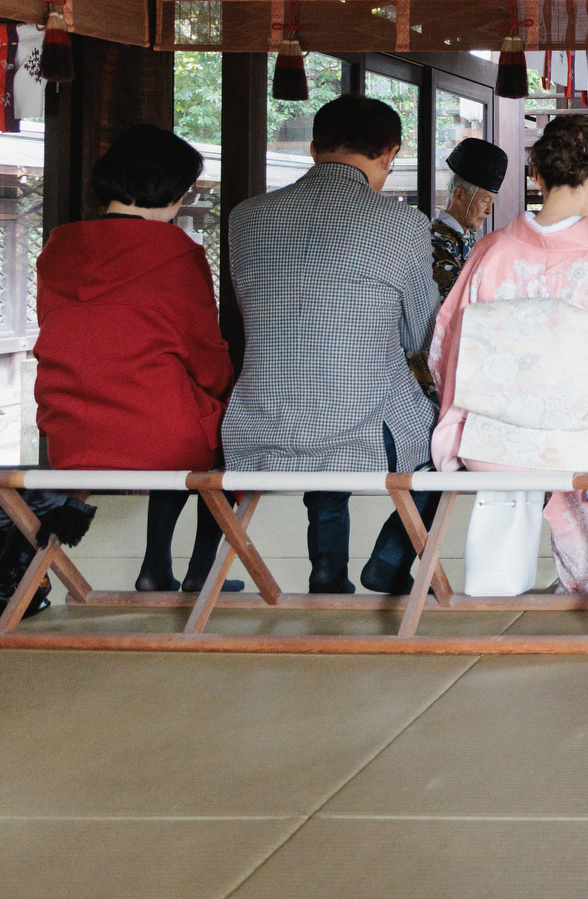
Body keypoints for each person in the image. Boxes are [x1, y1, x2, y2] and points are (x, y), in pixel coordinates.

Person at [221, 95, 441, 596]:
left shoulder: (246, 217)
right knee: (447, 443)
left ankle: (327, 568)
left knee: (327, 400)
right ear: (389, 154)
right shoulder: (403, 223)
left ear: (314, 148)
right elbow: (422, 335)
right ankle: (390, 558)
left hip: (261, 418)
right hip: (361, 424)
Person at [429, 115, 588, 593]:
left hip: (490, 445)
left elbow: (446, 349)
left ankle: (496, 580)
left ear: (536, 177)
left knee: (513, 469)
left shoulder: (489, 253)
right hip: (579, 446)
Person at [33, 124, 235, 593]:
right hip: (156, 436)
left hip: (70, 430)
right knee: (224, 431)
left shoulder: (58, 251)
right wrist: (226, 393)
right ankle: (197, 572)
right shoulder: (176, 254)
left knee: (190, 419)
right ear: (171, 190)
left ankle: (157, 567)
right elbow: (205, 354)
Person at [431, 138, 507, 300]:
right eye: (485, 200)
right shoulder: (433, 242)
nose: (489, 210)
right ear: (459, 195)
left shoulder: (470, 238)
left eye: (492, 202)